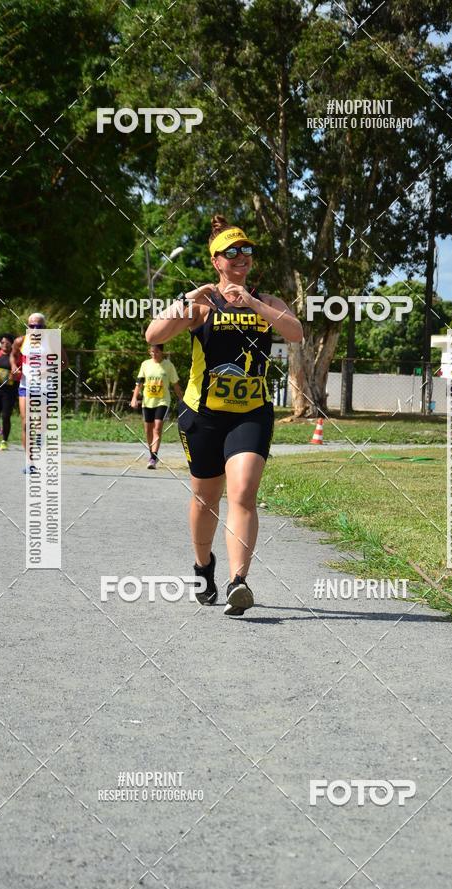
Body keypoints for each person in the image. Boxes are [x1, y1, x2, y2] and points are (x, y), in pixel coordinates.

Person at [145, 214, 303, 616]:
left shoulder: (266, 302)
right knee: (205, 499)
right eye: (231, 252)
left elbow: (296, 332)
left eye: (246, 250)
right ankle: (203, 567)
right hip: (203, 415)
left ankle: (238, 581)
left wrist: (252, 303)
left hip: (251, 413)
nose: (241, 256)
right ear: (216, 260)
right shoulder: (201, 304)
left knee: (244, 492)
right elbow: (154, 335)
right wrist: (189, 297)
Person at [10, 312, 68, 472]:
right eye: (32, 326)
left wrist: (48, 370)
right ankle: (29, 462)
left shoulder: (52, 342)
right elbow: (13, 355)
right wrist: (14, 367)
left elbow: (64, 363)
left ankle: (40, 436)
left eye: (39, 326)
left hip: (45, 387)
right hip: (26, 386)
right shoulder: (21, 341)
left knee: (41, 425)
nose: (35, 329)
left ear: (45, 327)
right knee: (25, 423)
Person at [130, 344, 183, 469]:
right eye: (152, 352)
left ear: (162, 352)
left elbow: (175, 384)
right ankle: (152, 454)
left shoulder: (168, 366)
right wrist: (134, 398)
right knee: (148, 430)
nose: (154, 354)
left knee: (157, 428)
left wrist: (182, 399)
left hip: (162, 401)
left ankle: (153, 458)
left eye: (157, 352)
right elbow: (139, 383)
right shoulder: (145, 364)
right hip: (148, 402)